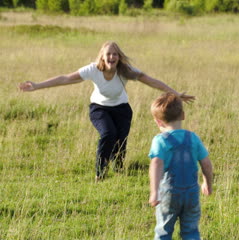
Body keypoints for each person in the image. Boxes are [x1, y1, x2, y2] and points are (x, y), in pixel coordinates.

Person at [18, 41, 195, 182]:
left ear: (119, 57)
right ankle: (100, 173)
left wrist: (176, 94)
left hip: (122, 109)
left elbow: (151, 81)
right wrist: (37, 86)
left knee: (121, 140)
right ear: (102, 57)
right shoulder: (93, 69)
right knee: (108, 133)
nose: (112, 57)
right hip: (99, 108)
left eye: (115, 54)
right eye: (108, 54)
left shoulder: (125, 71)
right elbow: (65, 78)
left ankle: (118, 169)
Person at [148, 92, 213, 240]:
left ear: (158, 122)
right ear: (183, 115)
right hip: (192, 194)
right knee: (191, 232)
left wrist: (154, 191)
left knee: (163, 231)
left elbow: (156, 163)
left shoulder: (160, 140)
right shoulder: (193, 138)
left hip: (168, 194)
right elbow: (206, 164)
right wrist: (207, 183)